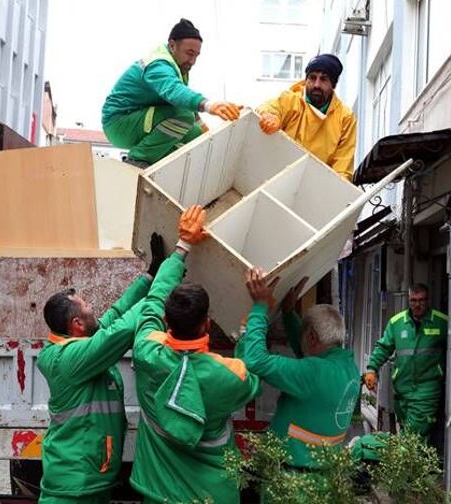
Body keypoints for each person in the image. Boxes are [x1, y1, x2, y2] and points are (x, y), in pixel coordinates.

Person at [129, 206, 260, 504]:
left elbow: (153, 301)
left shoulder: (148, 351)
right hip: (212, 495)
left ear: (166, 321)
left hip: (159, 492)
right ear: (208, 324)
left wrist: (182, 246)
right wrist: (251, 322)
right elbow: (252, 371)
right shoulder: (227, 375)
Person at [35, 235, 167, 503]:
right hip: (74, 490)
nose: (95, 309)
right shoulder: (69, 358)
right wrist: (165, 283)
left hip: (88, 482)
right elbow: (124, 329)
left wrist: (152, 274)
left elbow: (117, 314)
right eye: (88, 307)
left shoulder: (79, 344)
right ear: (77, 324)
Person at [235, 273, 360, 468]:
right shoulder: (348, 367)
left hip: (293, 479)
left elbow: (255, 360)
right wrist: (289, 313)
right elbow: (308, 354)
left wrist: (259, 307)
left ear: (311, 336)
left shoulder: (313, 372)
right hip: (322, 475)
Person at [102, 18, 242, 168]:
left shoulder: (179, 68)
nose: (192, 61)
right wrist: (208, 105)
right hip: (119, 124)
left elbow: (184, 104)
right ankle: (137, 161)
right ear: (172, 45)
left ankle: (165, 167)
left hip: (139, 121)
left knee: (196, 135)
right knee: (182, 117)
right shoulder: (158, 65)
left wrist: (207, 134)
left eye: (196, 55)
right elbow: (175, 92)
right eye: (189, 53)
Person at [364, 284, 448, 441]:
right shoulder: (397, 323)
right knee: (406, 434)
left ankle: (411, 464)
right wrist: (371, 369)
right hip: (402, 393)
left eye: (421, 300)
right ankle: (414, 465)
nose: (417, 304)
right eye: (413, 300)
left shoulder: (442, 322)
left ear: (428, 300)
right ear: (408, 301)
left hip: (426, 392)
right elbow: (383, 347)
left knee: (414, 438)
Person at [256, 53, 358, 181]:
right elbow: (270, 107)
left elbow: (343, 168)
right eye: (312, 77)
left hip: (316, 186)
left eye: (323, 79)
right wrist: (270, 116)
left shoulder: (345, 117)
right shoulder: (292, 99)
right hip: (278, 175)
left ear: (334, 84)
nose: (316, 84)